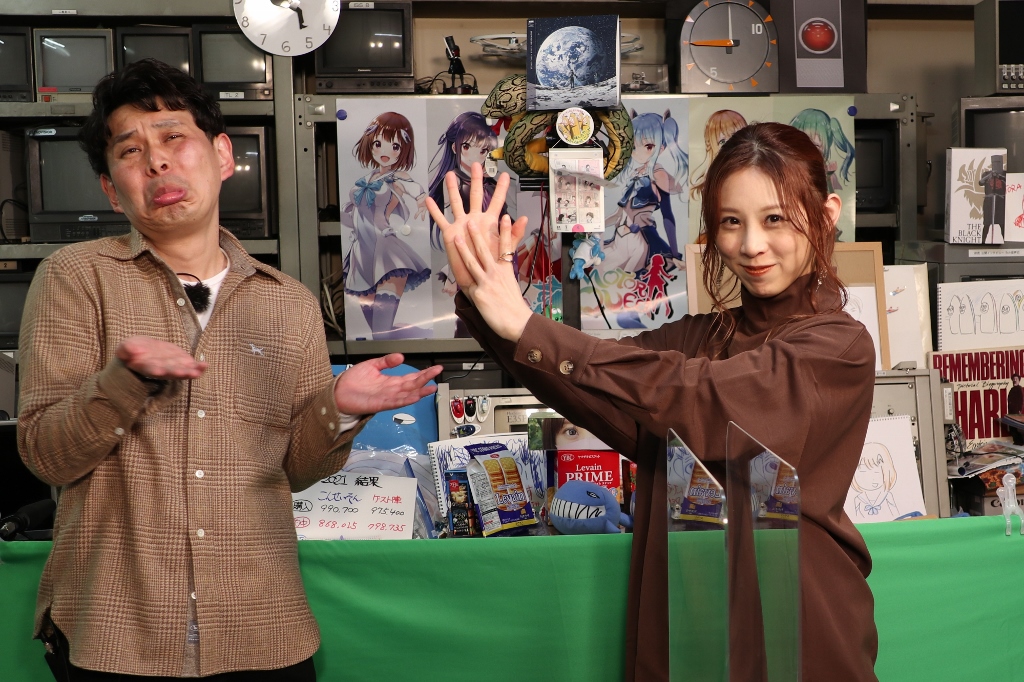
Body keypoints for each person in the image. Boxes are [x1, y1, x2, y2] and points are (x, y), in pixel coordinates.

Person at [17, 59, 442, 681]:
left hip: (262, 629)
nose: (156, 162)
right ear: (111, 188)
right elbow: (45, 455)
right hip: (115, 632)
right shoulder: (76, 278)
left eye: (174, 137)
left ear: (222, 155)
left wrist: (340, 407)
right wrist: (122, 383)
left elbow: (297, 470)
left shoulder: (288, 301)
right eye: (130, 150)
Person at [427, 122, 879, 681]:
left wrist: (525, 323)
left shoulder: (837, 347)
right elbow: (591, 387)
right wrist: (484, 291)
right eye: (731, 222)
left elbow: (703, 399)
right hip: (689, 623)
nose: (751, 245)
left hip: (800, 627)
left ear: (828, 214)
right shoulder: (699, 337)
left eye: (775, 219)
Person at [341, 111, 431, 339]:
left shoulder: (397, 177)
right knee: (377, 335)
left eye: (395, 146)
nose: (385, 151)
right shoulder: (366, 178)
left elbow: (414, 188)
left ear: (403, 149)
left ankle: (421, 335)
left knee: (380, 334)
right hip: (361, 254)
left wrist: (422, 200)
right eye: (378, 143)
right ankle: (418, 334)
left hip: (386, 251)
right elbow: (355, 216)